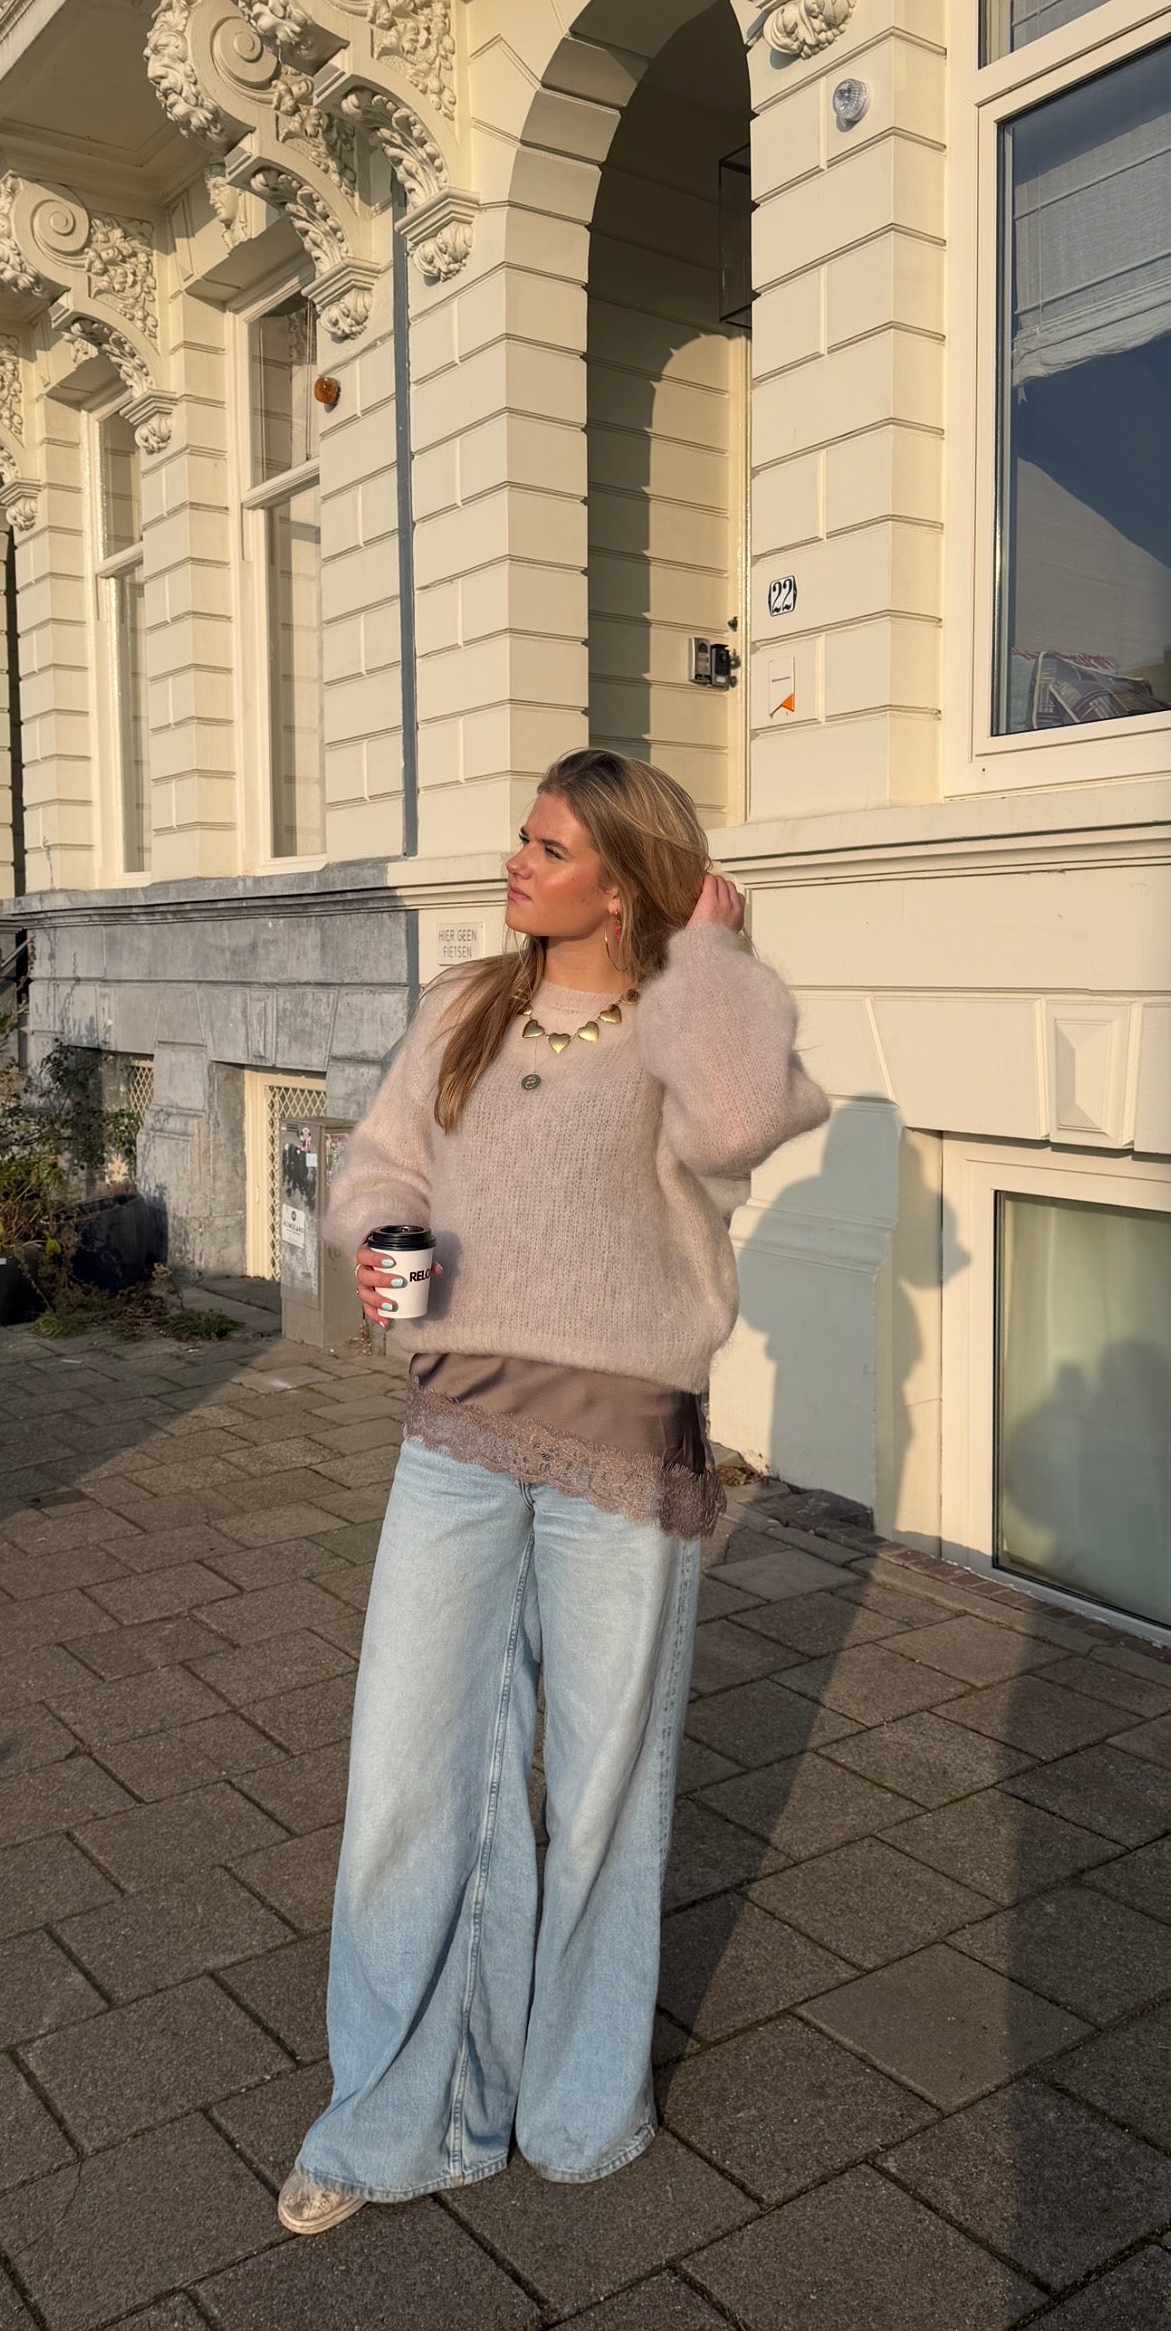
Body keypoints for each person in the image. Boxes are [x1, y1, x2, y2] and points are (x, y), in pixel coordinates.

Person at [278, 746, 828, 2230]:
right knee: (407, 1777)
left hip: (623, 1452)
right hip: (457, 1436)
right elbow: (383, 1162)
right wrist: (382, 1240)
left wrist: (711, 954)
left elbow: (735, 1128)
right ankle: (396, 2117)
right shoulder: (465, 1003)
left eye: (552, 849)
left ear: (626, 881)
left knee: (601, 1792)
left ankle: (579, 2107)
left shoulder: (682, 1017)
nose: (516, 865)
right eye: (521, 838)